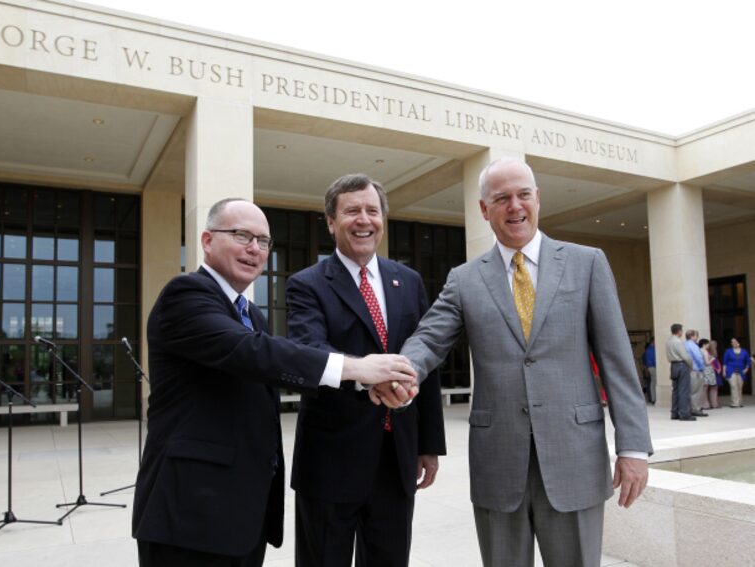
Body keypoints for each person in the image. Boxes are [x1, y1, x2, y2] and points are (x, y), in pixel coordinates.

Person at [387, 157, 652, 567]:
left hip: (574, 457)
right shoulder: (465, 279)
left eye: (523, 195)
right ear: (483, 209)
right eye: (502, 198)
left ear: (537, 199)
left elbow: (617, 362)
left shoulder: (587, 264)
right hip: (498, 461)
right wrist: (399, 372)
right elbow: (429, 339)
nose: (515, 206)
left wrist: (633, 446)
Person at [131, 198, 417, 567]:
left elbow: (273, 368)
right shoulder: (185, 295)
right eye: (241, 235)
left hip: (241, 516)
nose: (255, 249)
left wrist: (368, 386)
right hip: (189, 512)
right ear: (206, 240)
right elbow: (254, 353)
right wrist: (358, 368)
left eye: (264, 241)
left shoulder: (250, 313)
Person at [286, 174, 447, 567]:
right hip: (330, 462)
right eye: (352, 211)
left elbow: (425, 361)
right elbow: (310, 352)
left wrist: (428, 444)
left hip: (396, 459)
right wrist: (365, 376)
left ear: (383, 219)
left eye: (372, 211)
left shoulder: (407, 281)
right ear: (330, 221)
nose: (364, 220)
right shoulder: (306, 285)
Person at [666, 324, 694, 421]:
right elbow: (685, 356)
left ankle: (674, 412)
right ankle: (684, 413)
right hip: (682, 365)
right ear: (679, 331)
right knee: (684, 390)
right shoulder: (678, 342)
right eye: (681, 330)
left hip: (673, 365)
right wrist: (691, 365)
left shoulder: (668, 341)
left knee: (675, 390)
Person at [684, 330, 708, 417]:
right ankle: (696, 409)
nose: (697, 337)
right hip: (696, 371)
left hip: (688, 371)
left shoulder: (685, 344)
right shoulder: (693, 345)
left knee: (691, 391)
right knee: (697, 391)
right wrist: (702, 368)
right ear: (692, 336)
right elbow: (698, 357)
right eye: (696, 335)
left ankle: (691, 408)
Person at [722, 337, 750, 408]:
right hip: (730, 371)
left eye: (734, 342)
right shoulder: (728, 351)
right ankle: (734, 403)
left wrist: (746, 369)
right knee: (733, 386)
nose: (733, 343)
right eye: (732, 342)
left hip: (741, 371)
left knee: (739, 387)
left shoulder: (744, 351)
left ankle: (740, 402)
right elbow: (724, 362)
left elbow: (748, 362)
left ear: (739, 343)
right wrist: (724, 371)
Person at [698, 338, 718, 410]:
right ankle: (708, 404)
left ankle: (704, 404)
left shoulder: (699, 350)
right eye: (707, 344)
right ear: (704, 344)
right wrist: (712, 358)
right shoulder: (705, 352)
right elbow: (707, 363)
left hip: (702, 370)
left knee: (704, 388)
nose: (709, 345)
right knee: (710, 387)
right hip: (708, 371)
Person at [642, 339, 656, 405]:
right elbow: (654, 359)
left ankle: (652, 398)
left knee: (651, 383)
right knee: (653, 383)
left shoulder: (647, 350)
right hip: (653, 367)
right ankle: (653, 398)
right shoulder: (652, 350)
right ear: (653, 342)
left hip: (649, 368)